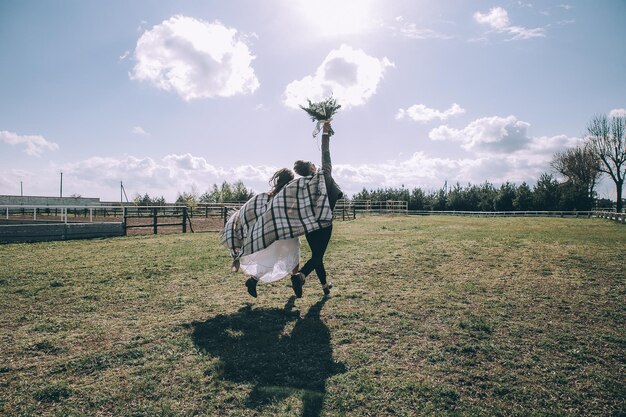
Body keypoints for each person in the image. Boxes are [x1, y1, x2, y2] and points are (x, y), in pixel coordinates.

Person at [222, 168, 299, 298]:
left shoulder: (266, 196)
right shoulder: (287, 197)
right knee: (294, 253)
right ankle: (295, 281)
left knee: (273, 257)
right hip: (285, 231)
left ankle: (254, 280)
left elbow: (251, 209)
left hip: (272, 232)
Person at [291, 121, 343, 298]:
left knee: (317, 256)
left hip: (310, 226)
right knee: (317, 256)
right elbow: (326, 155)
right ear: (312, 168)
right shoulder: (324, 176)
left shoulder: (301, 185)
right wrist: (325, 134)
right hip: (325, 223)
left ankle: (325, 286)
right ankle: (301, 276)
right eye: (314, 164)